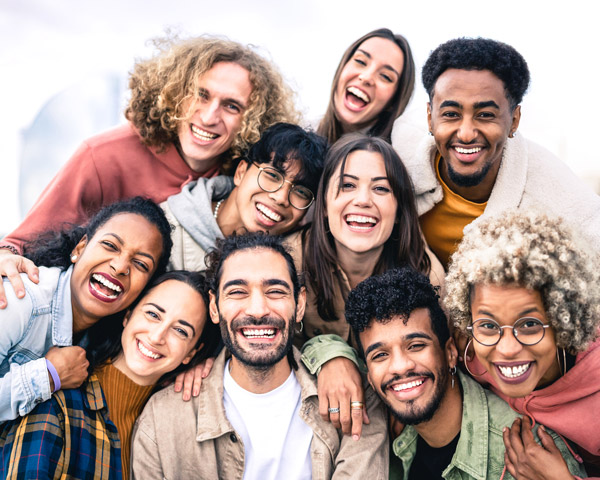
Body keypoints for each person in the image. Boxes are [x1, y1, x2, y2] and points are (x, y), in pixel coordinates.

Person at [0, 34, 297, 305]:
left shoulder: (243, 178)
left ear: (253, 120)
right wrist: (7, 257)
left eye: (232, 106)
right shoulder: (104, 155)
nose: (209, 117)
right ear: (174, 92)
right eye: (200, 95)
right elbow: (22, 243)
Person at [131, 233, 388, 479]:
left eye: (275, 291)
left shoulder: (356, 399)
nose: (257, 310)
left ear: (299, 305)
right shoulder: (162, 417)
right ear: (214, 306)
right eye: (237, 292)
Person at [344, 267, 586, 480]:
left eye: (416, 346)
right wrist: (330, 356)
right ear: (369, 377)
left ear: (450, 352)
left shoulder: (529, 455)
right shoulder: (380, 426)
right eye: (380, 355)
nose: (400, 367)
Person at [391, 37, 600, 268]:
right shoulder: (399, 150)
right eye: (451, 114)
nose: (466, 134)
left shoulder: (561, 201)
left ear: (514, 120)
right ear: (430, 117)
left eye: (486, 115)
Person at [289, 133, 444, 437]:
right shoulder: (288, 262)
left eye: (381, 188)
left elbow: (444, 360)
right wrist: (327, 354)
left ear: (400, 211)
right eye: (347, 185)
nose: (362, 199)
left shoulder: (425, 274)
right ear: (323, 205)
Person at [0, 270, 220, 479]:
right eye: (153, 314)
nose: (157, 337)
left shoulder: (172, 426)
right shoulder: (58, 405)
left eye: (181, 331)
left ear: (191, 353)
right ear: (128, 315)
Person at [445, 210, 600, 477]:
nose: (506, 349)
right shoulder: (471, 355)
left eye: (529, 325)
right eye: (489, 325)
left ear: (564, 320)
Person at [0, 197, 172, 422]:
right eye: (110, 246)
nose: (120, 267)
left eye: (140, 264)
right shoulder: (19, 298)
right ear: (79, 249)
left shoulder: (106, 339)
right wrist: (49, 375)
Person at [163, 122, 327, 271]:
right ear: (240, 172)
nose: (281, 198)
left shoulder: (293, 265)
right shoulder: (166, 229)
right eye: (272, 175)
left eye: (301, 192)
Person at [317, 28, 415, 144]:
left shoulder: (400, 157)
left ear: (393, 102)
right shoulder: (298, 137)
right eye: (360, 61)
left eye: (385, 76)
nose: (367, 77)